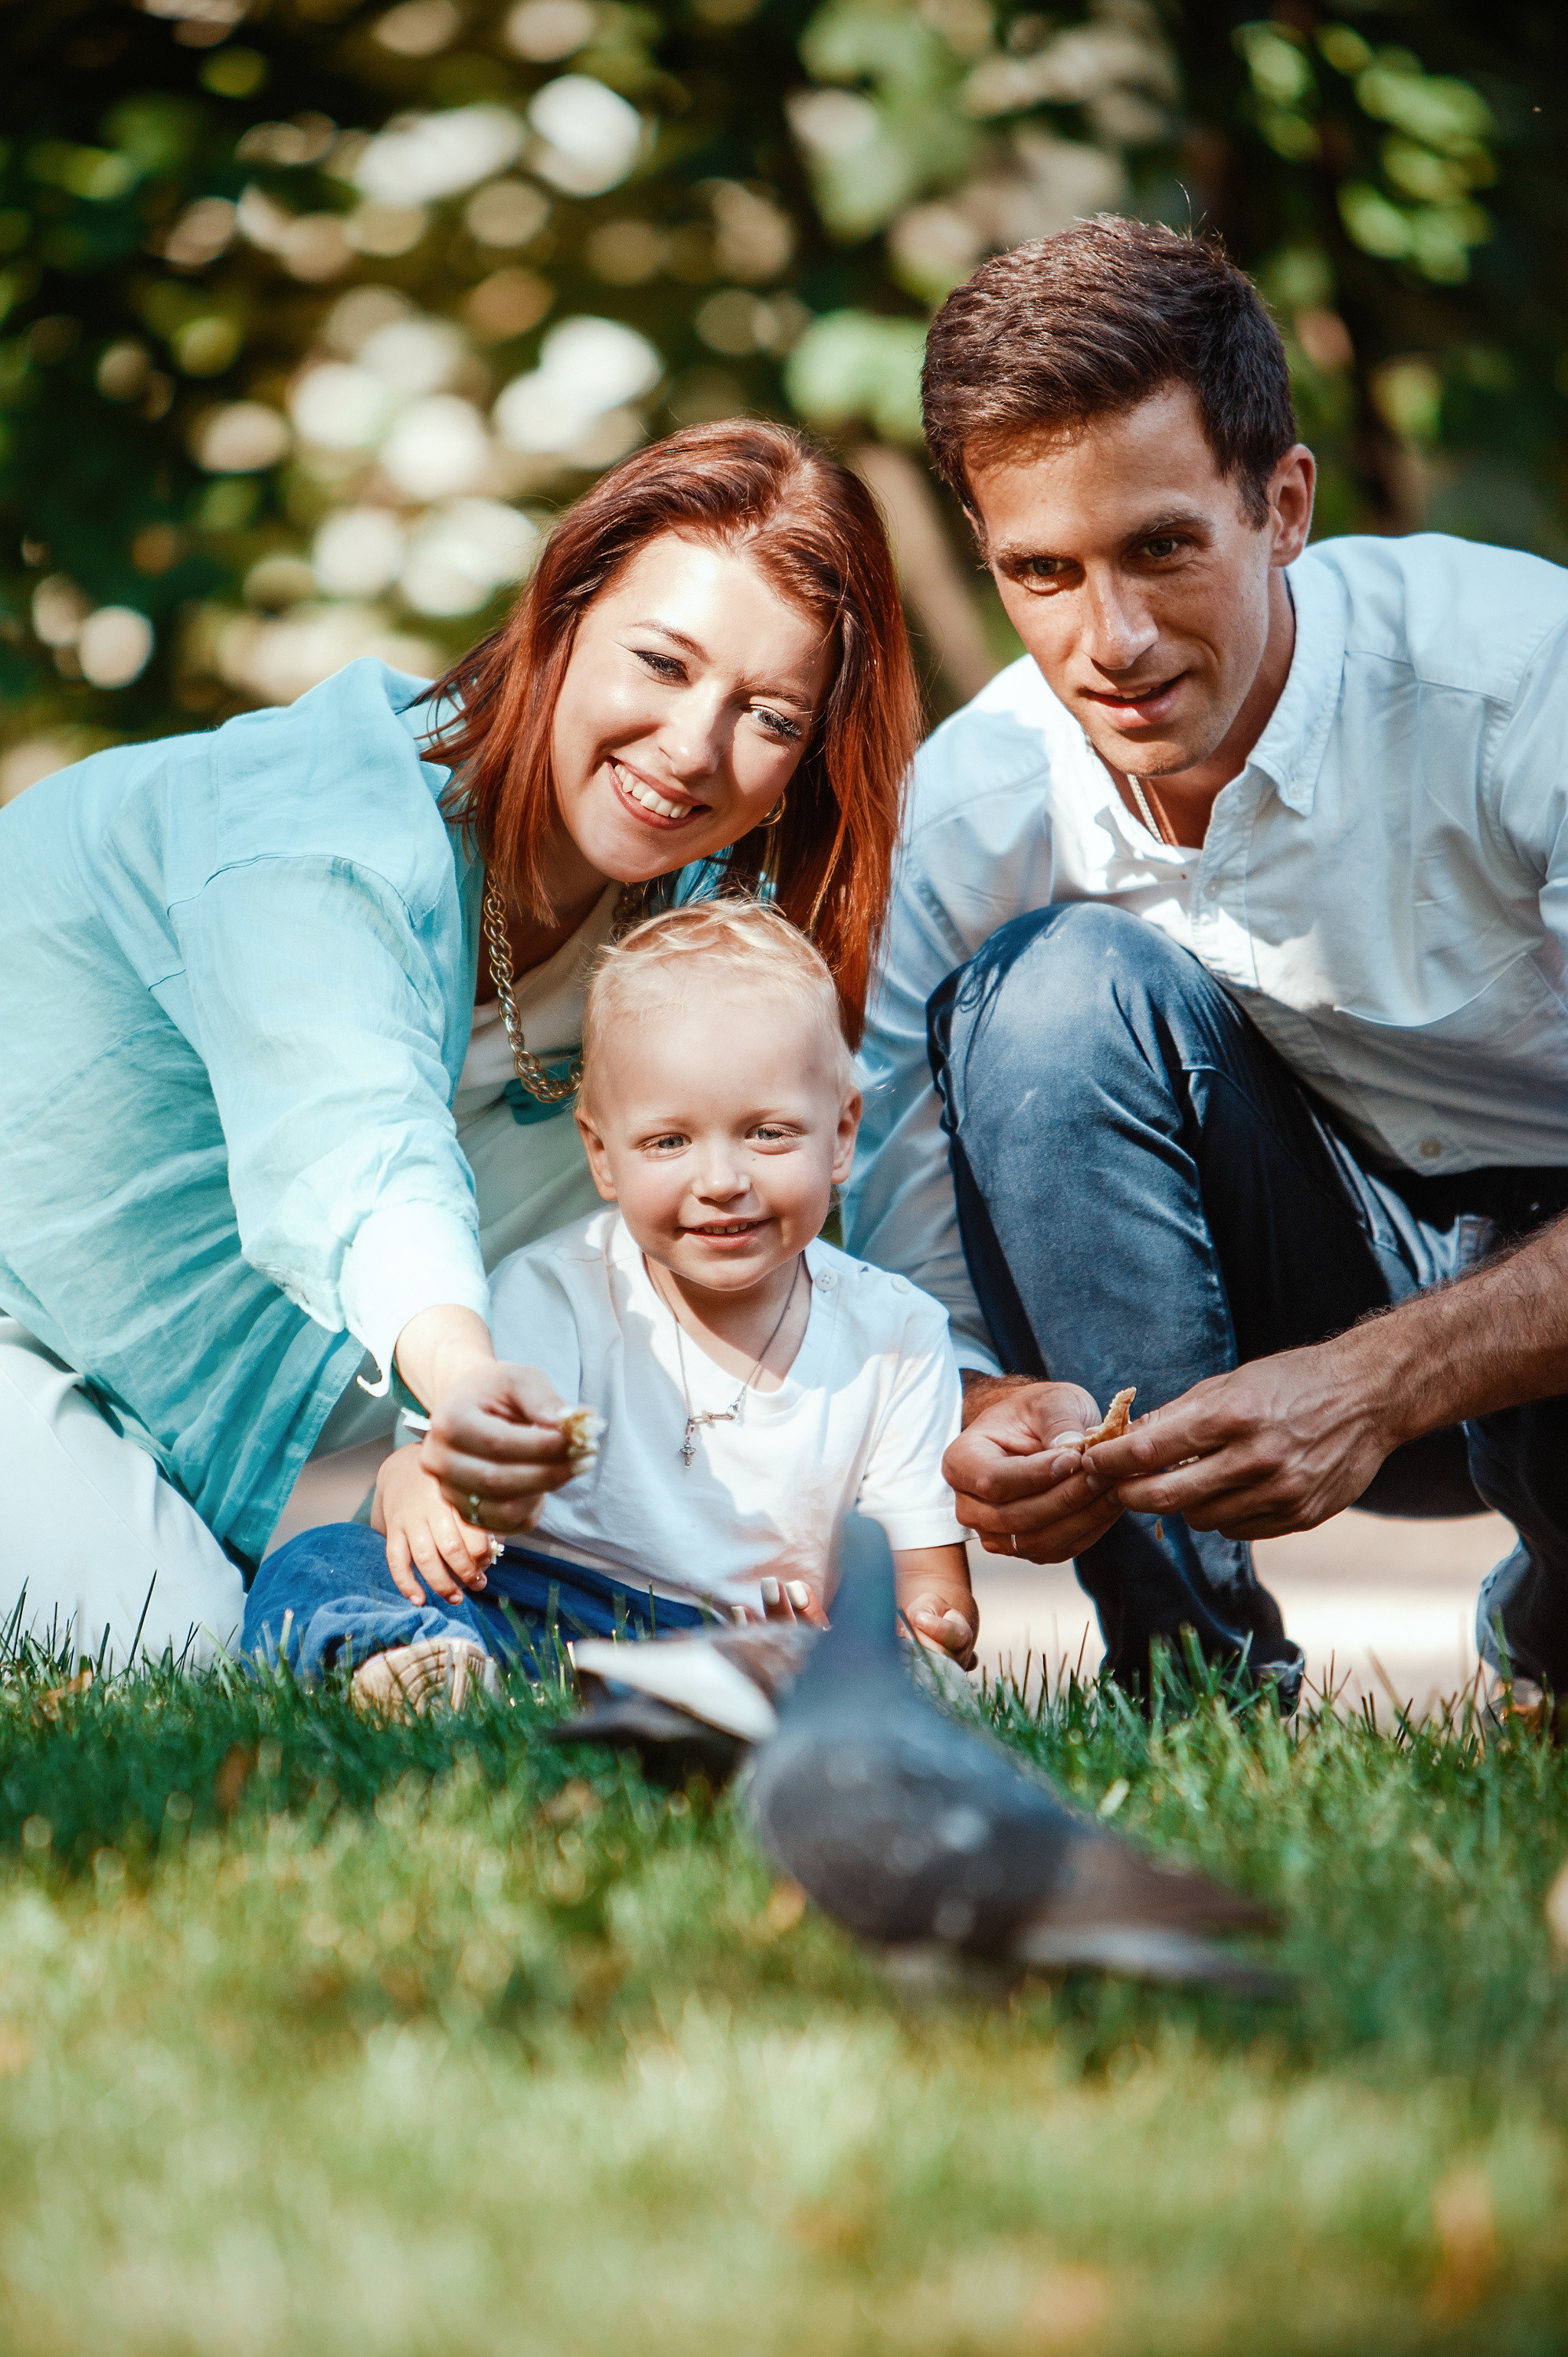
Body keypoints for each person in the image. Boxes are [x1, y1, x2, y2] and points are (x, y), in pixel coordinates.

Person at [0, 421, 918, 1667]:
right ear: (562, 614)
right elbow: (354, 1141)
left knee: (317, 1628)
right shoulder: (321, 828)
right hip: (22, 1317)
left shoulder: (693, 937)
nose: (693, 748)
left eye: (767, 715)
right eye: (660, 662)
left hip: (216, 1414)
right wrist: (464, 1376)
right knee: (177, 1660)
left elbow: (767, 1218)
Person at [844, 215, 1568, 1710]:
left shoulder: (1523, 689)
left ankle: (1545, 1622)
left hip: (1534, 1306)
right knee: (1046, 997)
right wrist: (980, 1411)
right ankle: (1191, 1687)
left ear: (1283, 505)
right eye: (1042, 573)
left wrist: (1381, 1381)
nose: (1109, 638)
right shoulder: (977, 809)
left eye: (1162, 547)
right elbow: (891, 1230)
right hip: (1288, 1290)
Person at [243, 901, 978, 1703]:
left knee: (894, 1681)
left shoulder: (897, 1335)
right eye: (669, 1141)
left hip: (750, 1640)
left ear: (840, 1135)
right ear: (602, 1155)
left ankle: (732, 1704)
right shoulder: (558, 1289)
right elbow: (460, 1477)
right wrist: (416, 1484)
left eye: (768, 1133)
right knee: (322, 1561)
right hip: (538, 1609)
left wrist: (902, 1627)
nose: (722, 1179)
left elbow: (929, 1587)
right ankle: (423, 1670)